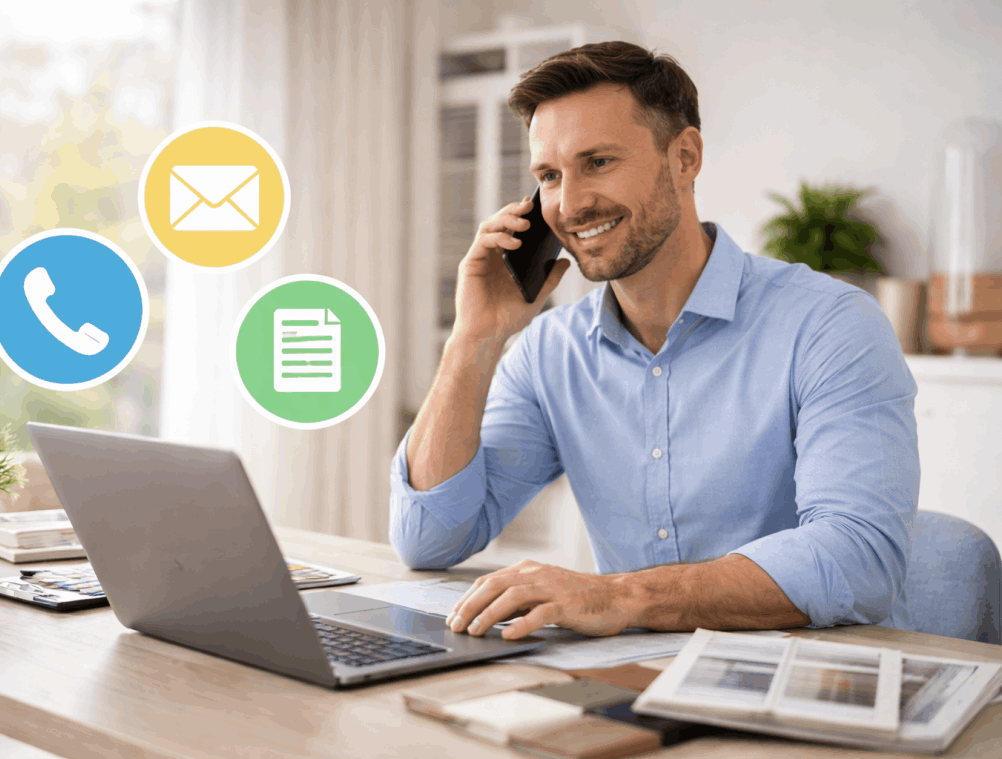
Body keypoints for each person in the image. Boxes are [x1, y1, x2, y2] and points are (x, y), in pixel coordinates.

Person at [388, 40, 919, 641]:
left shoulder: (829, 326)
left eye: (598, 162)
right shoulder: (550, 354)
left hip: (805, 687)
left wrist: (617, 594)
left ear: (685, 158)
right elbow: (428, 538)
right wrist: (474, 337)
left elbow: (860, 560)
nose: (570, 203)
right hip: (627, 680)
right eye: (549, 176)